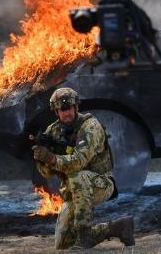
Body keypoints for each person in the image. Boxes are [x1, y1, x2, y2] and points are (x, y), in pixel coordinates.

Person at [32, 87, 134, 249]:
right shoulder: (52, 131)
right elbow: (47, 173)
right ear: (56, 112)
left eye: (70, 108)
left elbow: (78, 161)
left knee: (76, 175)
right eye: (62, 110)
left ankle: (84, 235)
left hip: (100, 184)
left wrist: (52, 158)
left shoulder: (90, 127)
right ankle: (118, 227)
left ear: (76, 107)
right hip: (72, 191)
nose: (67, 113)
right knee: (63, 244)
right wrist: (42, 159)